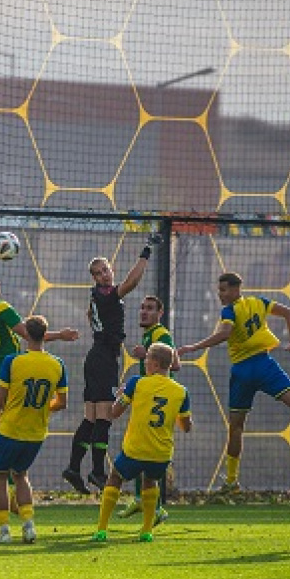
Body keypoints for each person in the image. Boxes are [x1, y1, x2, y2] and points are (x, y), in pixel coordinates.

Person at [177, 271, 290, 492]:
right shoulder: (259, 302)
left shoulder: (229, 311)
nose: (220, 294)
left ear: (236, 290)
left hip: (242, 371)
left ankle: (231, 481)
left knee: (236, 427)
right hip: (264, 364)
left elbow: (225, 333)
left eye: (223, 289)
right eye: (219, 290)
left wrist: (194, 347)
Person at [0, 266, 77, 517]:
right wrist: (61, 335)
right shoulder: (1, 308)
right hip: (12, 373)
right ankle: (16, 493)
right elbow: (29, 335)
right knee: (14, 428)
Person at [62, 232, 161, 495]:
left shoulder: (96, 296)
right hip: (104, 359)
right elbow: (131, 282)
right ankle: (96, 471)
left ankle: (73, 467)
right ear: (94, 278)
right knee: (104, 418)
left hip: (96, 356)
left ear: (110, 269)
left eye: (105, 269)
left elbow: (90, 316)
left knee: (91, 419)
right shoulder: (106, 294)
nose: (104, 274)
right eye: (98, 272)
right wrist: (146, 251)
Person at [92, 342, 191, 542]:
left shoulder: (137, 383)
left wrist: (120, 397)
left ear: (155, 364)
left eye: (147, 361)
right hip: (161, 453)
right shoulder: (181, 392)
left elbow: (114, 412)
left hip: (136, 449)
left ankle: (102, 529)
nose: (145, 364)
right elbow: (186, 426)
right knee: (150, 480)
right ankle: (146, 532)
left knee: (115, 478)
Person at [0, 315, 68, 543]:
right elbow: (61, 402)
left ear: (25, 334)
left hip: (10, 428)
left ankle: (4, 531)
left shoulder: (12, 362)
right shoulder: (57, 364)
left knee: (0, 477)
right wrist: (43, 408)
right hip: (36, 433)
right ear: (45, 335)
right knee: (21, 475)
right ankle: (28, 525)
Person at [119, 295, 179, 524]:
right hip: (148, 396)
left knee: (146, 449)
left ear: (160, 313)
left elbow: (175, 364)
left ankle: (156, 508)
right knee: (138, 445)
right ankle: (139, 498)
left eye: (150, 309)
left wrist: (145, 355)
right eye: (142, 308)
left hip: (158, 399)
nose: (144, 312)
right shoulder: (149, 334)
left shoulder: (161, 335)